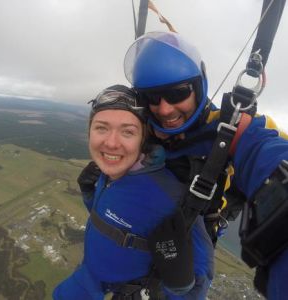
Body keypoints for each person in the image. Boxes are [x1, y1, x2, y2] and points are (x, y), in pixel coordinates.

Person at [123, 31, 288, 300]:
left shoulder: (230, 129)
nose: (164, 109)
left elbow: (267, 152)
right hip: (141, 241)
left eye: (177, 93)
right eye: (153, 97)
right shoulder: (139, 128)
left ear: (198, 87)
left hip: (191, 256)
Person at [52, 84, 214, 300]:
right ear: (89, 131)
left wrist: (178, 287)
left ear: (143, 139)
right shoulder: (106, 173)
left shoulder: (168, 196)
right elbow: (116, 219)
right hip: (89, 276)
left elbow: (201, 276)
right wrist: (90, 196)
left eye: (128, 131)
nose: (111, 143)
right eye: (101, 128)